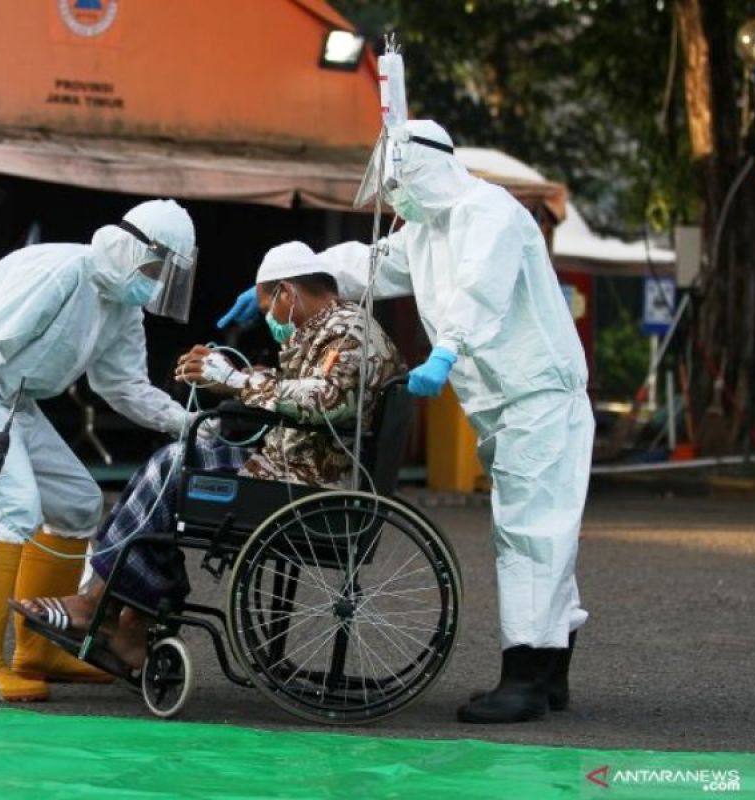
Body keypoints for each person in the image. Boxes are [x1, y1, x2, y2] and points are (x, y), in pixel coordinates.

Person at [218, 120, 593, 724]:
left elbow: (482, 287)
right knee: (540, 531)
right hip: (503, 404)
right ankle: (548, 678)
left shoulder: (488, 211)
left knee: (532, 534)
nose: (394, 200)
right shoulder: (426, 233)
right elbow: (365, 263)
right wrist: (273, 285)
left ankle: (524, 680)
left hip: (539, 393)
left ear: (422, 166)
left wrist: (447, 349)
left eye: (397, 184)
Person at [13, 241, 405, 670]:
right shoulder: (325, 330)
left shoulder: (347, 331)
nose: (270, 319)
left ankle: (106, 605)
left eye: (267, 307)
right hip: (292, 470)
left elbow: (325, 399)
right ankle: (126, 617)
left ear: (287, 294)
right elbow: (305, 389)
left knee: (174, 465)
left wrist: (236, 381)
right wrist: (231, 377)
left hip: (310, 485)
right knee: (181, 463)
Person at [0, 199, 200, 701]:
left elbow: (123, 385)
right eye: (153, 268)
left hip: (11, 398)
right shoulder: (61, 271)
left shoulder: (123, 306)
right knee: (11, 503)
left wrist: (189, 424)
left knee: (79, 502)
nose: (153, 283)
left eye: (163, 275)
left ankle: (41, 649)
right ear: (128, 247)